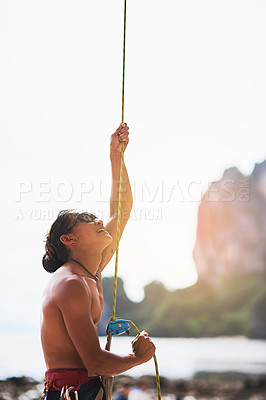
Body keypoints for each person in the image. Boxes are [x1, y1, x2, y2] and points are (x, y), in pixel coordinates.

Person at [40, 123, 156, 400]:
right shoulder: (70, 284)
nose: (100, 221)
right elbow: (95, 363)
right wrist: (138, 358)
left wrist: (116, 157)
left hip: (86, 390)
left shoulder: (91, 271)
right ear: (69, 240)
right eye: (88, 220)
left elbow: (122, 209)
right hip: (71, 393)